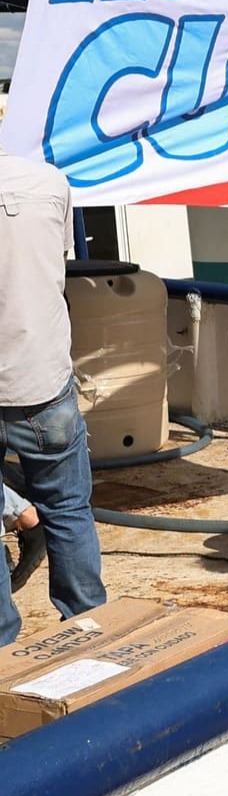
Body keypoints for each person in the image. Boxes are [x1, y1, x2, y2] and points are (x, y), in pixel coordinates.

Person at [0, 144, 108, 644]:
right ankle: (90, 629)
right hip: (40, 376)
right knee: (67, 509)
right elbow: (53, 267)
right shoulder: (49, 181)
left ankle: (3, 646)